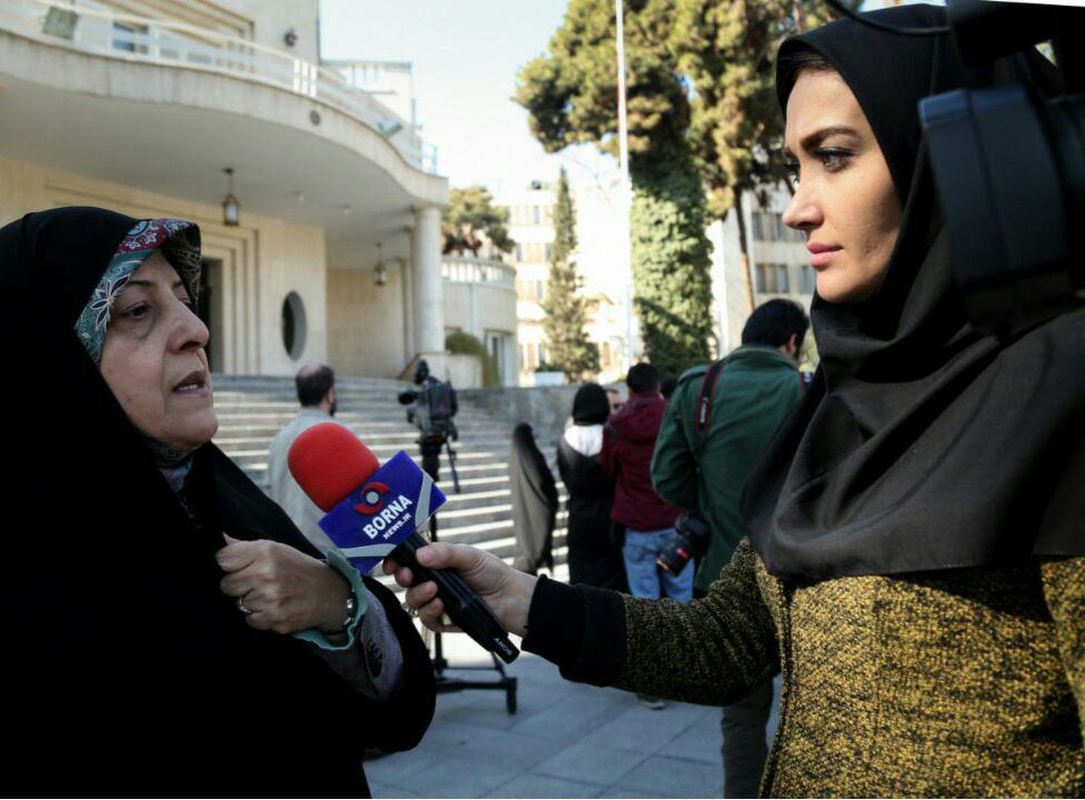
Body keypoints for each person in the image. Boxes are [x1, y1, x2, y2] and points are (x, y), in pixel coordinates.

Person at [388, 6, 1085, 796]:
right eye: (796, 167)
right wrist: (523, 600)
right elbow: (729, 642)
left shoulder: (1063, 398)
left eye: (835, 157)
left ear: (968, 158)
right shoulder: (837, 404)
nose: (798, 206)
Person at [0, 208, 435, 797]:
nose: (196, 330)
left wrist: (339, 608)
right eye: (137, 311)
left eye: (183, 298)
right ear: (44, 357)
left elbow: (389, 716)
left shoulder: (225, 499)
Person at [651, 299, 810, 798]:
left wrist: (712, 500)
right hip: (806, 584)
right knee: (819, 718)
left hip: (725, 583)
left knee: (742, 721)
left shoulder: (700, 387)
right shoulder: (807, 388)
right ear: (791, 343)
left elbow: (666, 478)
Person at [601, 362, 686, 710]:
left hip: (636, 524)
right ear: (655, 386)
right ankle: (686, 673)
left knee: (644, 604)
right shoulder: (674, 413)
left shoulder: (617, 425)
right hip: (674, 521)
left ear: (631, 390)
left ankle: (652, 683)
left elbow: (608, 467)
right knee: (680, 600)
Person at [267, 362, 346, 552]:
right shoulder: (341, 435)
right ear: (329, 394)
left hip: (290, 550)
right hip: (332, 554)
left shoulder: (279, 439)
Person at [557, 383, 627, 592]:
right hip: (610, 518)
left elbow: (565, 477)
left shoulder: (566, 440)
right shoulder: (612, 437)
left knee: (581, 583)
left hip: (578, 518)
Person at [509, 422, 558, 575]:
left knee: (527, 544)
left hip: (524, 509)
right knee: (533, 545)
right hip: (536, 508)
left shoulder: (516, 458)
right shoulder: (533, 456)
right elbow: (543, 481)